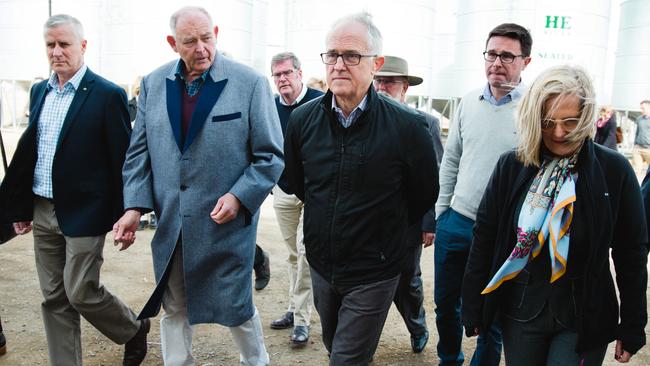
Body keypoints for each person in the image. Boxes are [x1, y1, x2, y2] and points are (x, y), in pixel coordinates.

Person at [112, 6, 284, 366]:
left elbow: (270, 157)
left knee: (236, 306)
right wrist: (133, 208)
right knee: (174, 305)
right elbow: (138, 154)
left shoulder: (250, 83)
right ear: (173, 43)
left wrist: (240, 196)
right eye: (190, 41)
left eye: (207, 38)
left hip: (227, 225)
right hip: (173, 224)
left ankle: (256, 361)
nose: (201, 48)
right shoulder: (153, 84)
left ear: (216, 32)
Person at [462, 64, 648, 365]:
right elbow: (485, 235)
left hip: (584, 314)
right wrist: (473, 304)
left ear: (587, 118)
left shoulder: (614, 171)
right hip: (521, 310)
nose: (558, 133)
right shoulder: (512, 166)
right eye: (547, 122)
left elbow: (632, 253)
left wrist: (633, 324)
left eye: (570, 122)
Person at [284, 12, 438, 365]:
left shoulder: (409, 129)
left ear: (376, 64)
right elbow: (297, 183)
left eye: (351, 56)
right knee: (333, 343)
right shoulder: (302, 120)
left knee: (345, 359)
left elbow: (423, 195)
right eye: (332, 55)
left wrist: (384, 240)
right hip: (323, 264)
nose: (339, 64)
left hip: (375, 270)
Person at [0, 14, 149, 366]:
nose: (56, 52)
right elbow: (31, 153)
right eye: (50, 45)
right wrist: (20, 208)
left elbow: (122, 159)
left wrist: (129, 211)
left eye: (64, 44)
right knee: (54, 297)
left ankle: (132, 328)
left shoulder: (107, 94)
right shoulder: (40, 90)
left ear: (83, 46)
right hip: (42, 206)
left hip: (86, 211)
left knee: (80, 291)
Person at [434, 22, 532, 366]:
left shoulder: (535, 110)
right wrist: (441, 213)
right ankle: (449, 359)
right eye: (491, 54)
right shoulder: (468, 102)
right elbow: (452, 160)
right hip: (456, 221)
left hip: (503, 232)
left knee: (491, 313)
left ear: (526, 61)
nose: (497, 62)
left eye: (507, 56)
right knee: (446, 305)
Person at [373, 54, 443, 353]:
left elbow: (434, 178)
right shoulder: (364, 121)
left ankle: (417, 326)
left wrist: (429, 223)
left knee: (408, 281)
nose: (382, 87)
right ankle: (363, 341)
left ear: (405, 88)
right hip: (369, 219)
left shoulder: (426, 123)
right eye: (379, 80)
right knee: (368, 284)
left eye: (390, 82)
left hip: (408, 222)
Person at [268, 52, 323, 346]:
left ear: (300, 73)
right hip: (283, 190)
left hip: (314, 193)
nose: (282, 79)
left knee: (304, 253)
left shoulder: (320, 101)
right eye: (277, 75)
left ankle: (302, 320)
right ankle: (293, 307)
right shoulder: (269, 107)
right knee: (292, 255)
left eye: (287, 73)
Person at [632, 100, 650, 173]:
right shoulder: (639, 119)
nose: (641, 110)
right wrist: (635, 144)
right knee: (636, 171)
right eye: (641, 108)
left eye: (643, 108)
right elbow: (637, 132)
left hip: (648, 149)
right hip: (638, 148)